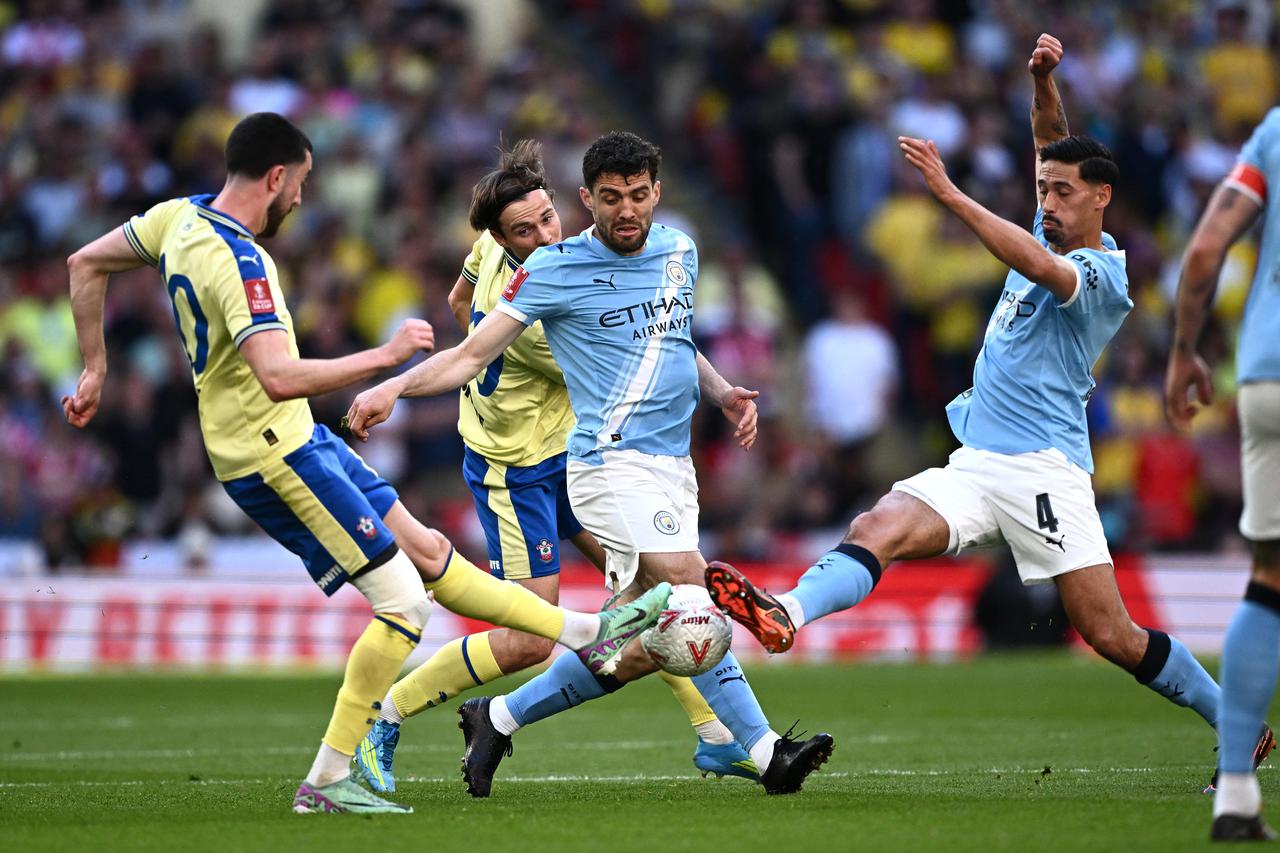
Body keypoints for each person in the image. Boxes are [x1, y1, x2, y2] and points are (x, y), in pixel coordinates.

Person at [60, 112, 672, 816]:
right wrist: (385, 359)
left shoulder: (175, 218)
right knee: (405, 605)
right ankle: (325, 779)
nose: (300, 199)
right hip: (274, 453)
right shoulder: (245, 262)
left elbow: (86, 263)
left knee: (431, 551)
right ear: (276, 177)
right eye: (302, 184)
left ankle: (587, 631)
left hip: (301, 437)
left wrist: (95, 369)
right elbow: (279, 376)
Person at [705, 33, 1270, 792]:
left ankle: (1240, 729)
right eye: (1042, 191)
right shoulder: (1053, 211)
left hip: (1045, 469)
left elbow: (1037, 263)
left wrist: (949, 194)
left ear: (1101, 197)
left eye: (1063, 193)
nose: (1048, 202)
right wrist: (1043, 83)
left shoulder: (1103, 275)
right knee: (877, 526)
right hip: (977, 462)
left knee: (1110, 633)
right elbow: (1052, 145)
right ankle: (787, 612)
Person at [345, 131, 833, 797]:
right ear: (588, 200)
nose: (545, 232)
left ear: (655, 193)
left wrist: (721, 392)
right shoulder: (550, 283)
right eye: (609, 199)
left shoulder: (673, 251)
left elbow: (666, 337)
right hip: (556, 466)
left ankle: (502, 715)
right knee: (677, 594)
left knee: (633, 630)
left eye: (548, 218)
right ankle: (763, 748)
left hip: (638, 458)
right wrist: (392, 384)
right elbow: (470, 354)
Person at [1165, 103, 1280, 841]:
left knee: (1267, 577)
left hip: (1267, 377)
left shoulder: (1274, 130)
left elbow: (1205, 249)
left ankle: (1236, 790)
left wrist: (1184, 348)